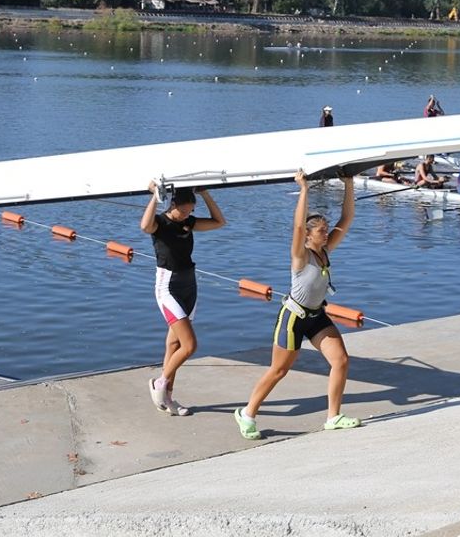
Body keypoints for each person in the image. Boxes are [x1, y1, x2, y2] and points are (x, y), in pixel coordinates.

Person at [234, 170, 359, 439]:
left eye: (327, 231)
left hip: (317, 317)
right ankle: (247, 414)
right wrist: (304, 188)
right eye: (321, 231)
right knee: (279, 370)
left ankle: (333, 416)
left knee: (341, 361)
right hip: (293, 318)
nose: (326, 234)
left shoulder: (324, 250)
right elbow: (299, 226)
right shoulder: (300, 256)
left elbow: (347, 219)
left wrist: (348, 184)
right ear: (309, 236)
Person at [140, 182, 226, 416]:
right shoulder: (161, 223)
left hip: (190, 285)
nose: (187, 215)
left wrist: (206, 194)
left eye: (191, 211)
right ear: (173, 204)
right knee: (190, 346)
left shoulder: (188, 223)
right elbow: (145, 225)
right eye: (184, 210)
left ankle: (167, 397)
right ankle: (160, 382)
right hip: (168, 287)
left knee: (174, 344)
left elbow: (219, 222)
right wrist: (154, 197)